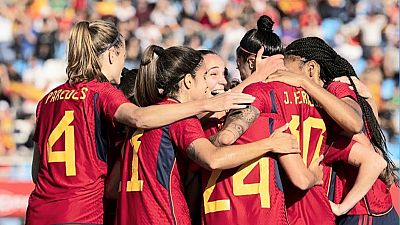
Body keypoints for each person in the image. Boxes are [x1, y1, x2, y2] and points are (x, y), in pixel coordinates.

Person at [25, 20, 257, 225]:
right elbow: (139, 117)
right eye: (123, 57)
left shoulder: (47, 100)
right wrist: (206, 105)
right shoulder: (101, 92)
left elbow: (37, 172)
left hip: (38, 212)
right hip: (80, 213)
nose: (123, 66)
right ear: (112, 55)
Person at [116, 45, 300, 225]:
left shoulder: (148, 118)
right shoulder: (182, 119)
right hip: (162, 217)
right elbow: (213, 159)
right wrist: (269, 144)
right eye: (206, 76)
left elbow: (111, 189)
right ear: (188, 81)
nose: (207, 85)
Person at [201, 16, 326, 225]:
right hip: (313, 207)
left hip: (240, 211)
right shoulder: (319, 95)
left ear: (249, 62)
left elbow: (224, 138)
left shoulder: (255, 100)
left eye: (237, 65)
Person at [268, 37, 399, 225]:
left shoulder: (334, 87)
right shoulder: (323, 101)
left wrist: (341, 207)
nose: (286, 80)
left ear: (311, 69)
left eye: (289, 73)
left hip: (363, 212)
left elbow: (354, 124)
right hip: (368, 210)